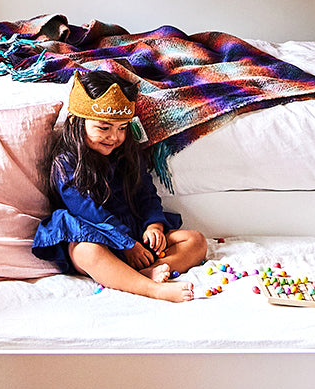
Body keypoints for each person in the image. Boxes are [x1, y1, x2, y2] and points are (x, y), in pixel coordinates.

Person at [33, 68, 207, 302]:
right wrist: (126, 244)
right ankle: (152, 288)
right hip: (95, 233)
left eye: (122, 128)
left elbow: (146, 193)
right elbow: (88, 212)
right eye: (104, 128)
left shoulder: (127, 154)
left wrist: (153, 226)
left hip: (134, 235)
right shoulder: (66, 162)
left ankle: (136, 274)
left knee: (195, 241)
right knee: (87, 252)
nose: (114, 137)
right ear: (76, 121)